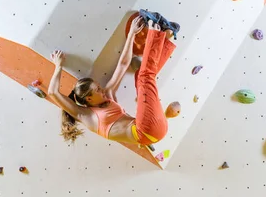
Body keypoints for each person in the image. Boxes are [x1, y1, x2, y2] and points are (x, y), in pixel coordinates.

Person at [48, 16, 176, 145]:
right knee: (145, 77)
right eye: (97, 89)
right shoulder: (85, 116)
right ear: (89, 99)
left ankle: (166, 36)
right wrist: (58, 66)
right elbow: (53, 92)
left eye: (98, 86)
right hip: (146, 130)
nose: (101, 90)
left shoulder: (108, 96)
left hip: (157, 129)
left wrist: (132, 33)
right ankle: (156, 28)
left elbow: (123, 65)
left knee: (139, 77)